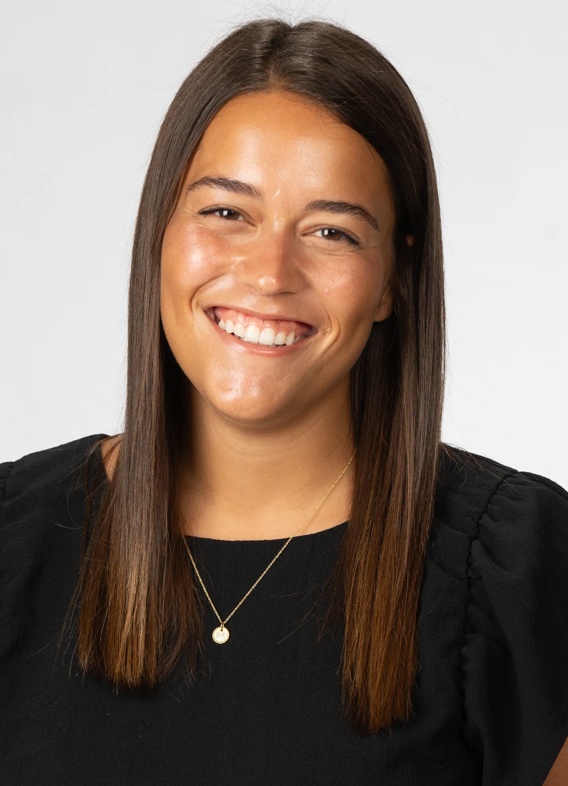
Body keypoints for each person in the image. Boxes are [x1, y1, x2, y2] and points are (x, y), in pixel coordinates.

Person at [1, 18, 567, 786]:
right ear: (159, 232)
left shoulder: (516, 568)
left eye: (331, 231)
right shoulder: (14, 547)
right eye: (226, 212)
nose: (270, 273)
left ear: (393, 283)